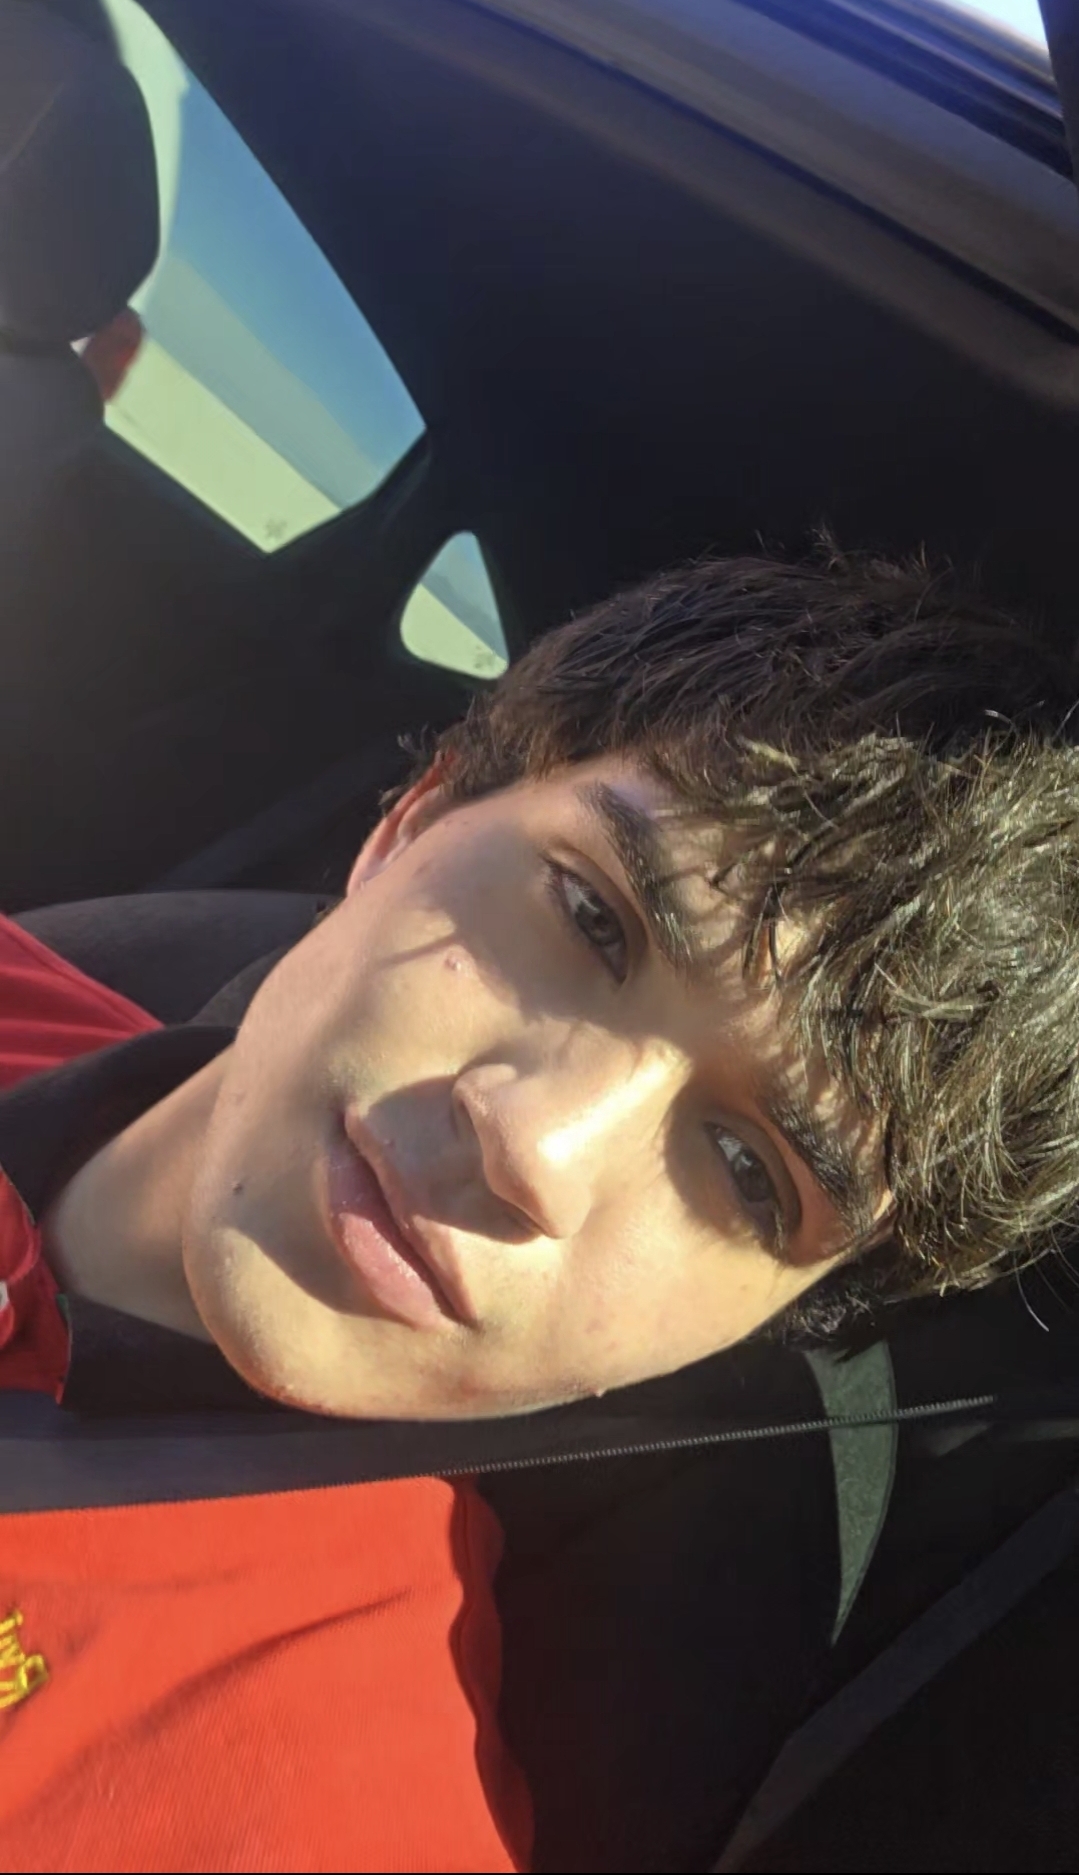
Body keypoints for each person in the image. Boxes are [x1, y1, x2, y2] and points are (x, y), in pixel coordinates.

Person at [3, 543, 1079, 1871]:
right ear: (414, 819)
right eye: (592, 918)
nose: (538, 1150)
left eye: (749, 1173)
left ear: (773, 1316)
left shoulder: (333, 1824)